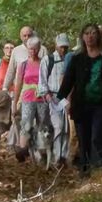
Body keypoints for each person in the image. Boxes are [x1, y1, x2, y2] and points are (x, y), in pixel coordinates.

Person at [57, 23, 102, 176]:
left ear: (99, 36)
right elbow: (66, 84)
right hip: (81, 106)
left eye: (93, 33)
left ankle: (99, 170)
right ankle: (84, 171)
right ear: (82, 37)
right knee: (83, 139)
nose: (90, 36)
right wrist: (64, 103)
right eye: (87, 33)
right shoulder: (77, 59)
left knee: (98, 136)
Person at [12, 36, 50, 162]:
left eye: (34, 49)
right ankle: (22, 151)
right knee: (26, 124)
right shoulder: (23, 64)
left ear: (39, 49)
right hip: (27, 98)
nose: (32, 51)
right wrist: (15, 104)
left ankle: (42, 152)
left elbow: (47, 80)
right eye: (30, 49)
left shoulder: (43, 63)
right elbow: (18, 84)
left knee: (42, 124)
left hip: (42, 98)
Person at [38, 33, 71, 166]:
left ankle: (64, 156)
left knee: (67, 129)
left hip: (68, 97)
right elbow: (42, 78)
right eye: (61, 46)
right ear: (56, 45)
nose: (63, 49)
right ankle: (57, 157)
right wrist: (46, 94)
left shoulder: (70, 59)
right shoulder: (48, 60)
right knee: (58, 126)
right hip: (53, 97)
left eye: (65, 47)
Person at [2, 26, 47, 92]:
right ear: (21, 37)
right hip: (20, 90)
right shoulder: (16, 51)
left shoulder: (42, 49)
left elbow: (47, 70)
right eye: (24, 36)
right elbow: (11, 71)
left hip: (39, 90)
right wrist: (5, 88)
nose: (27, 38)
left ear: (33, 35)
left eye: (29, 35)